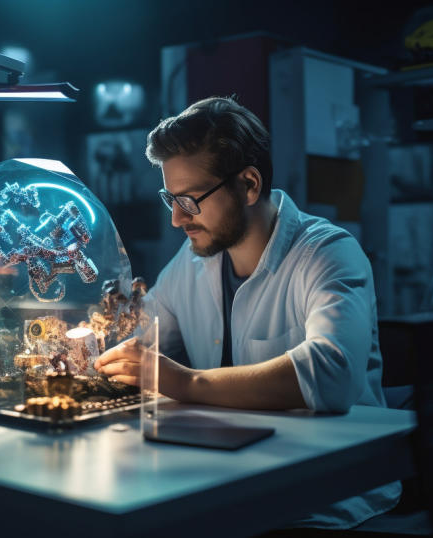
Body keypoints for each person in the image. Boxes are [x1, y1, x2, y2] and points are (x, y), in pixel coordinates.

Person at [94, 96, 401, 530]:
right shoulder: (193, 261)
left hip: (324, 496)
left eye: (191, 200)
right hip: (229, 480)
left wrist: (186, 381)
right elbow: (141, 341)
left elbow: (333, 373)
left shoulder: (327, 252)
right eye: (170, 199)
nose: (177, 220)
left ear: (250, 185)